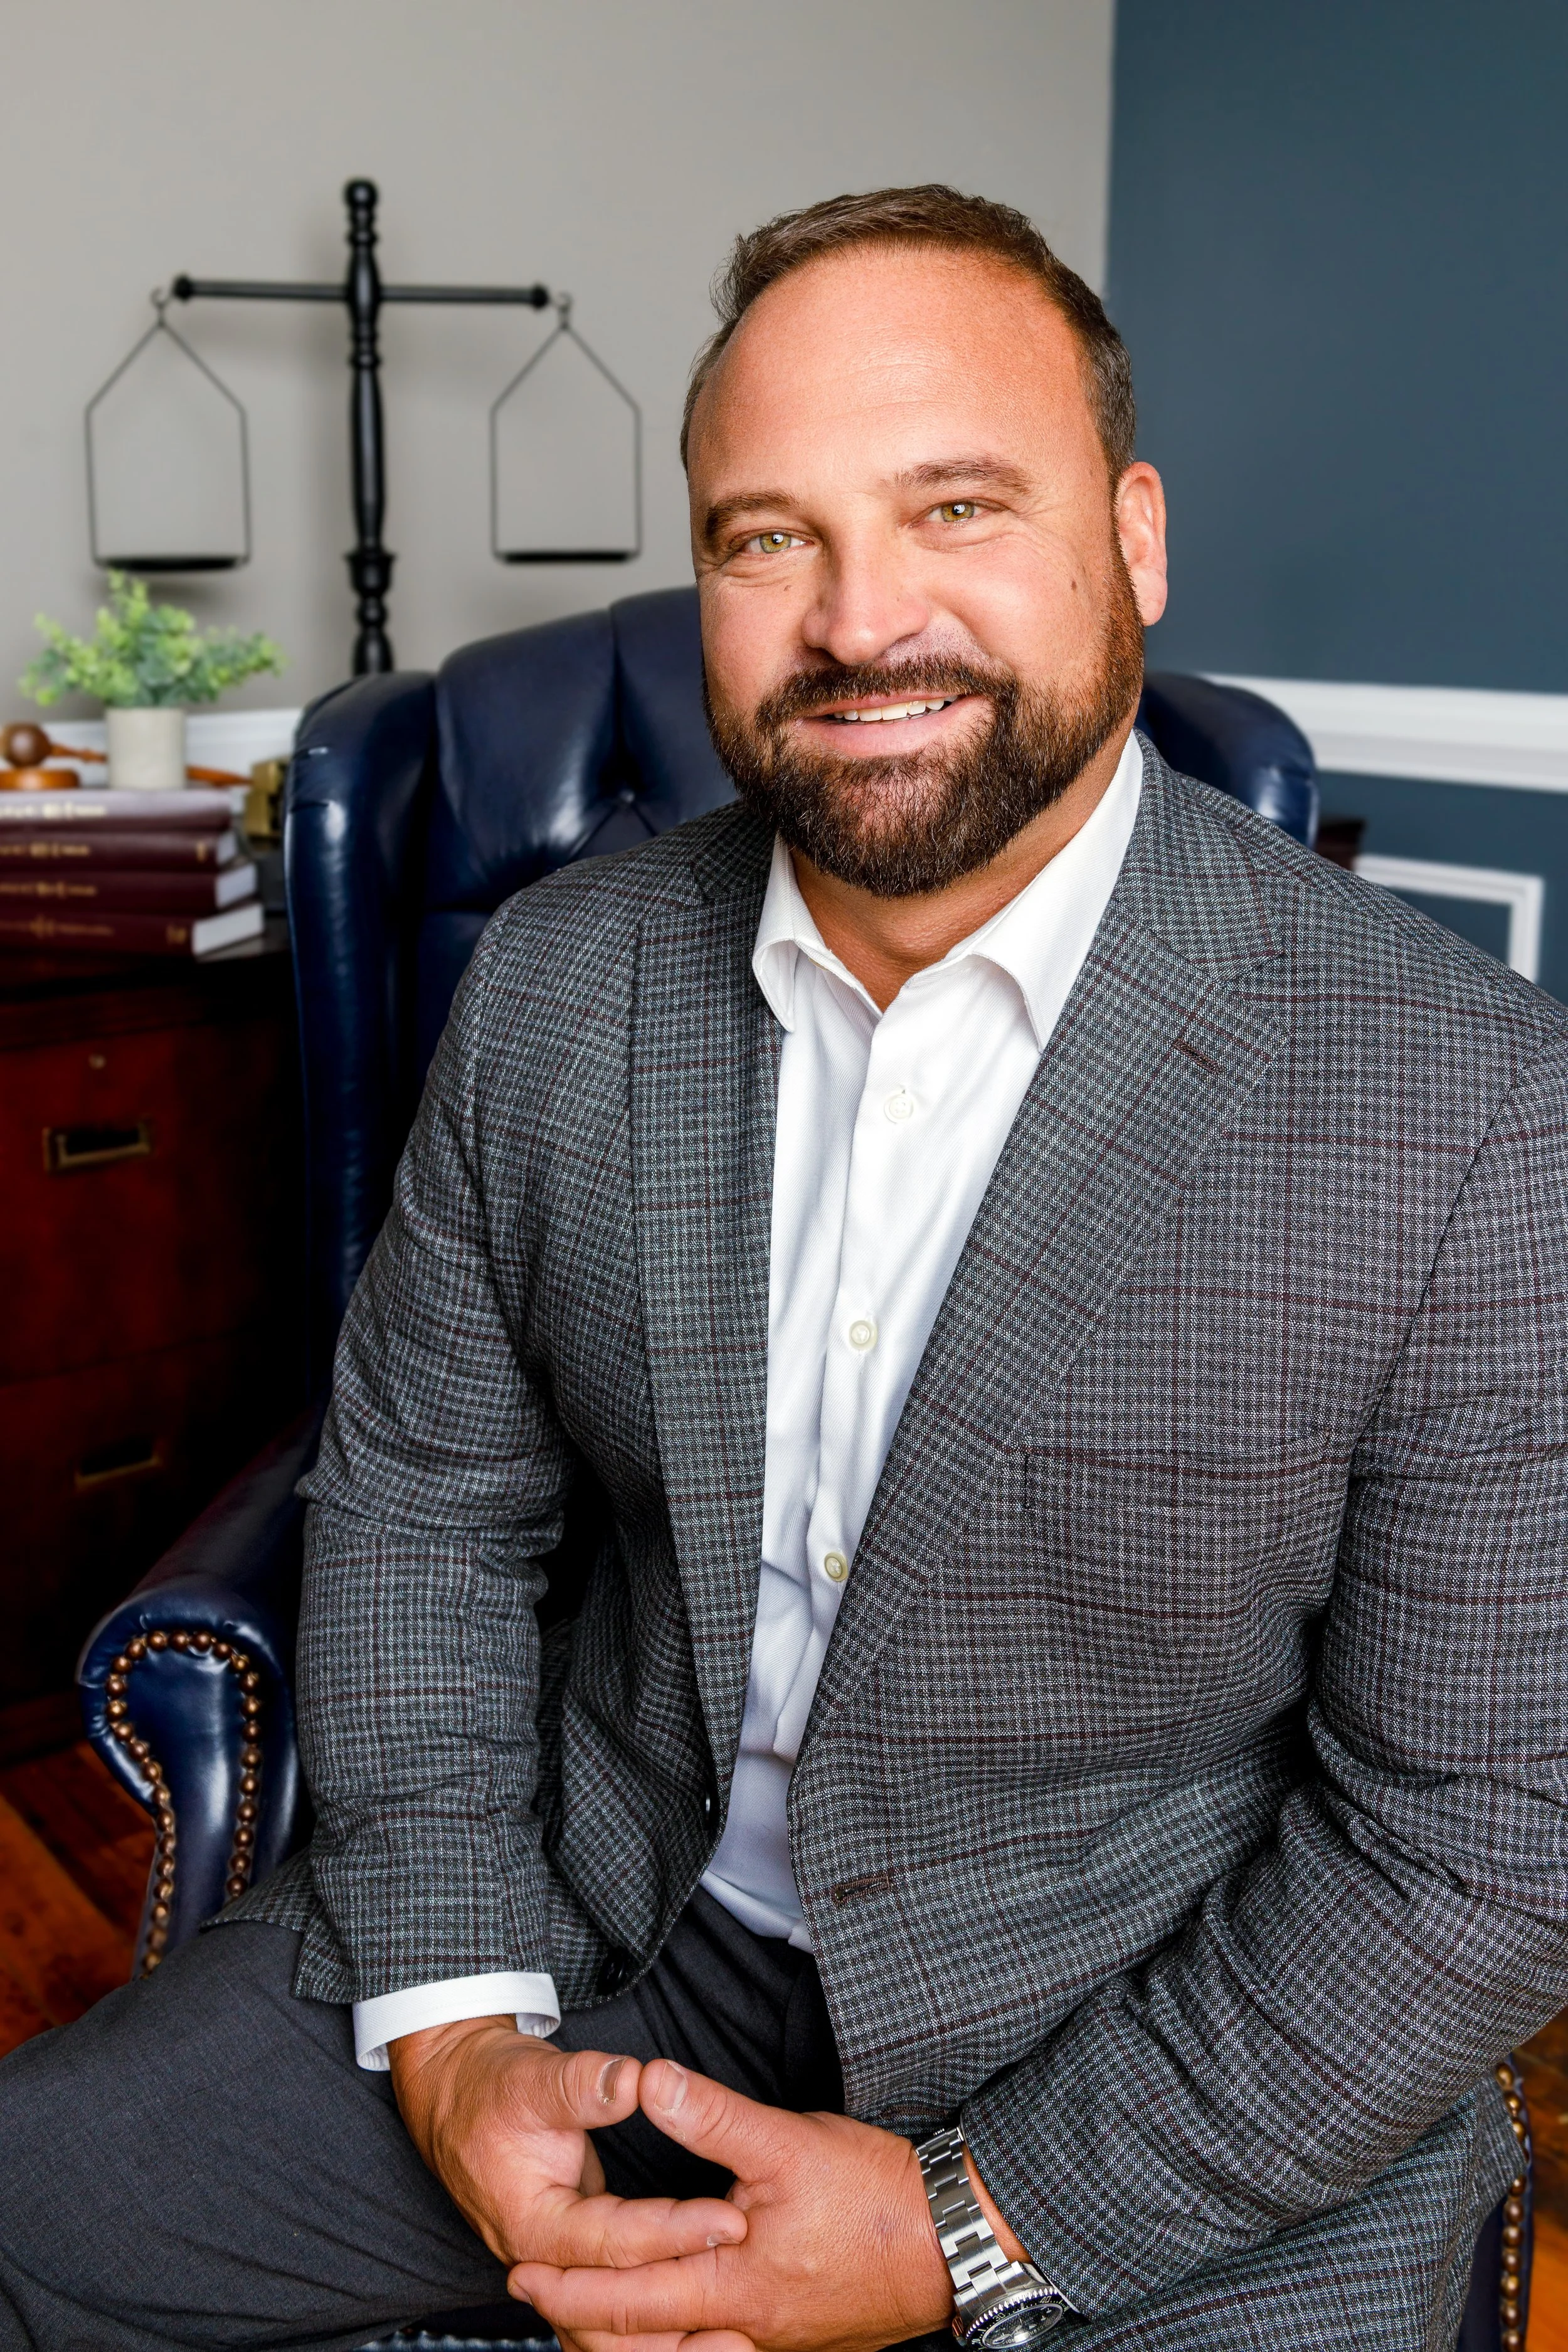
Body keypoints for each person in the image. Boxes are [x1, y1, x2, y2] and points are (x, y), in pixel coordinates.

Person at [2, 184, 1565, 2352]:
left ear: (1131, 538)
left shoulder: (1468, 1102)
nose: (855, 620)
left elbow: (1476, 1836)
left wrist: (972, 2225)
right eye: (766, 536)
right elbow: (428, 1512)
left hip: (1150, 2020)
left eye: (952, 506)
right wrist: (459, 2030)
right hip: (606, 1918)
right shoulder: (557, 989)